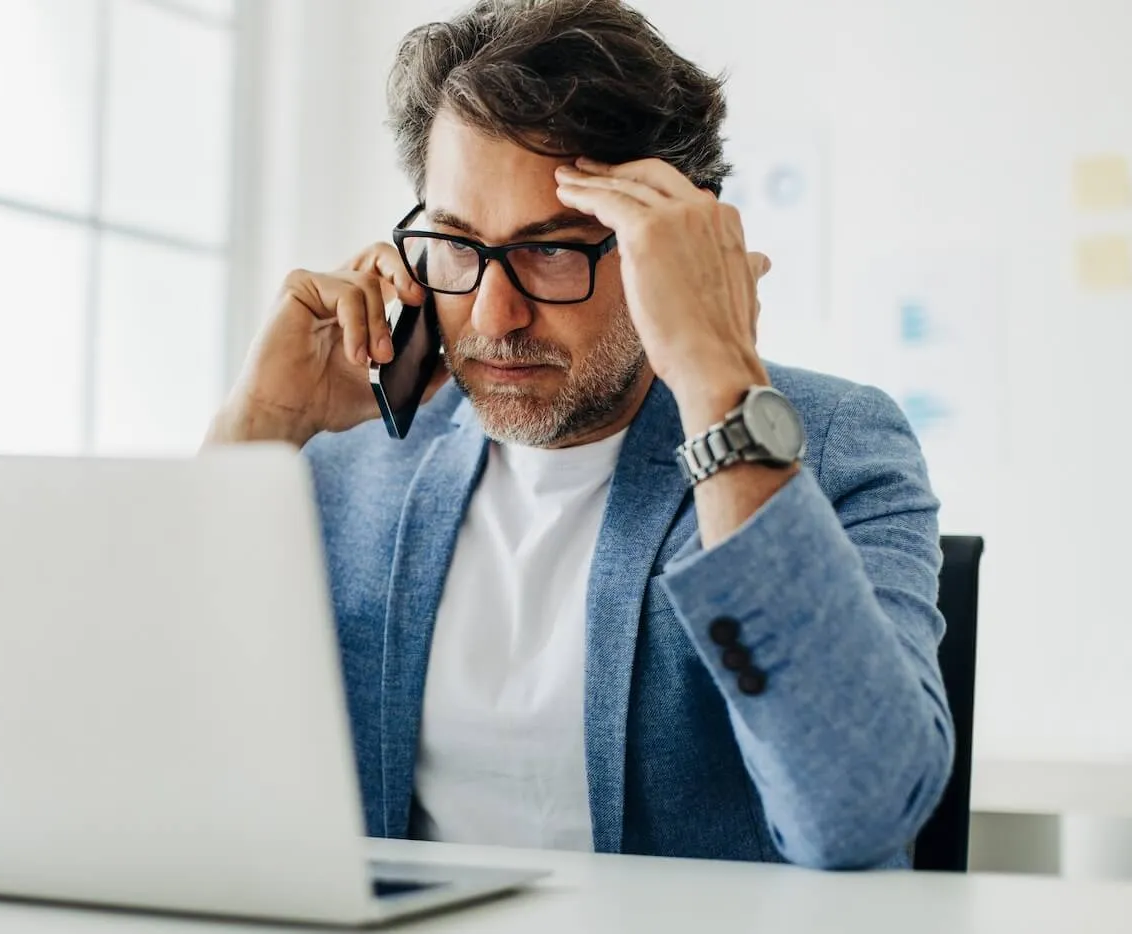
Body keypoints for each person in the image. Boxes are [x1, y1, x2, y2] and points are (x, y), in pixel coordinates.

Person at [206, 0, 953, 870]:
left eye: (553, 250)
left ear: (671, 243)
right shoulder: (350, 459)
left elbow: (857, 814)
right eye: (455, 243)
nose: (495, 313)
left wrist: (718, 378)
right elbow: (154, 750)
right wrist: (258, 430)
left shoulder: (828, 448)